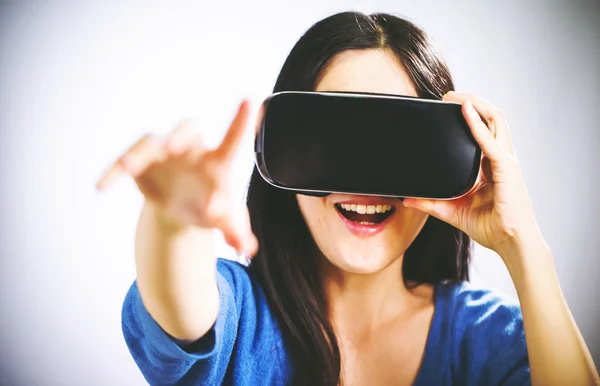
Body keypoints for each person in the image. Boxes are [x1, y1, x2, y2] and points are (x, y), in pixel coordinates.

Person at [97, 11, 599, 386]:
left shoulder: (490, 341)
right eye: (334, 143)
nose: (365, 188)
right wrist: (173, 223)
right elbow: (178, 307)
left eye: (397, 148)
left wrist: (525, 244)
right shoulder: (243, 318)